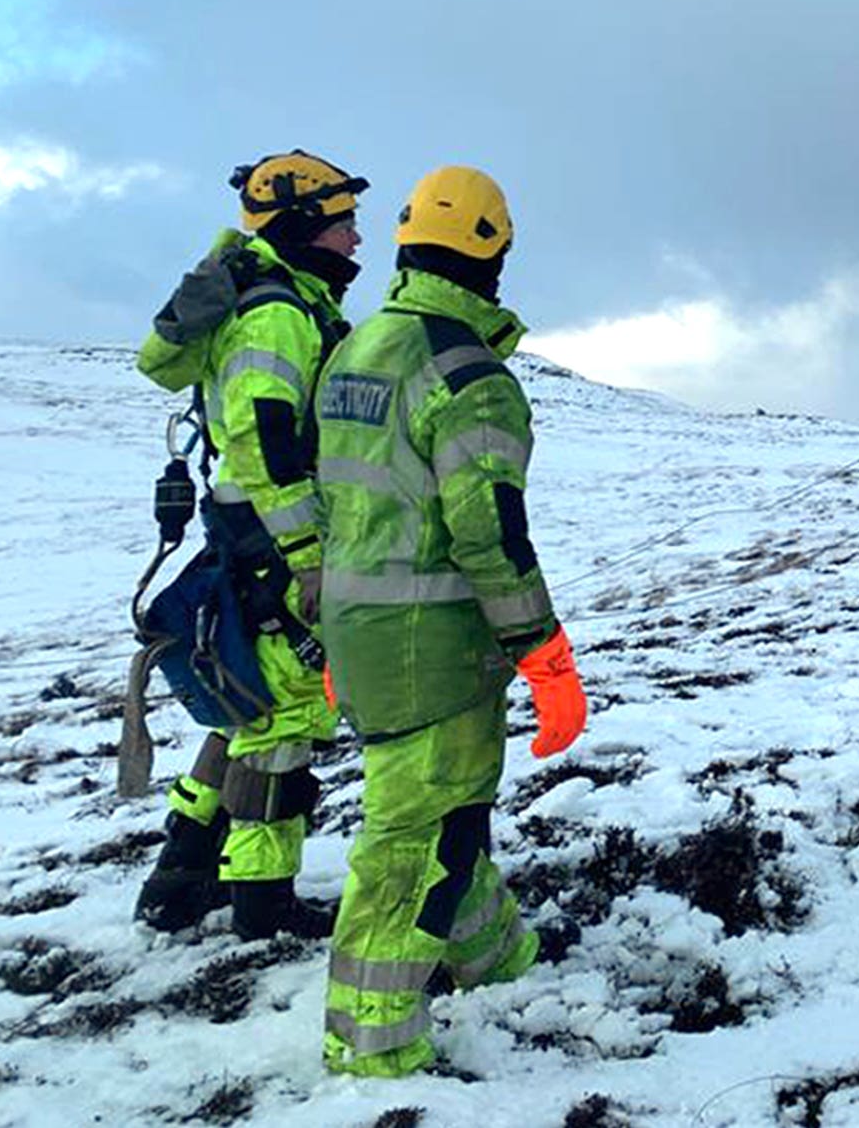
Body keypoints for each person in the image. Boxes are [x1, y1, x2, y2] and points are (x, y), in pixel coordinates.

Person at [315, 165, 588, 1077]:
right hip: (433, 652)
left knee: (449, 815)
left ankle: (492, 957)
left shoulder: (354, 353)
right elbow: (490, 541)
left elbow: (331, 510)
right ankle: (373, 1044)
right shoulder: (472, 379)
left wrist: (328, 629)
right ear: (493, 249)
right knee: (417, 839)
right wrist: (544, 656)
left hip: (358, 634)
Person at [134, 151, 369, 940]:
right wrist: (309, 556)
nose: (355, 241)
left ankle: (180, 876)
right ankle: (262, 902)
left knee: (247, 713)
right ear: (304, 228)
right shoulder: (277, 316)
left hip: (248, 535)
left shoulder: (278, 302)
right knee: (285, 722)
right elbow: (266, 444)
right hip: (274, 538)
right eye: (342, 225)